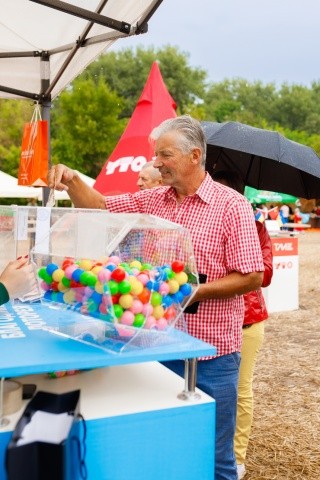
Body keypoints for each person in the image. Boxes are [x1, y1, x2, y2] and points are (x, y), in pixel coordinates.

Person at [48, 115, 265, 480]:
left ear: (194, 155)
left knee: (216, 458)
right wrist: (72, 180)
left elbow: (252, 276)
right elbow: (100, 207)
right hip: (154, 346)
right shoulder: (154, 199)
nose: (155, 163)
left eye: (164, 155)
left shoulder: (232, 206)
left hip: (210, 354)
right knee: (164, 447)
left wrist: (193, 292)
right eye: (155, 155)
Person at [214, 170, 273, 480]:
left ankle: (236, 456)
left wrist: (237, 258)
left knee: (240, 390)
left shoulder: (257, 228)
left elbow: (263, 273)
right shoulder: (205, 224)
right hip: (212, 319)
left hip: (247, 320)